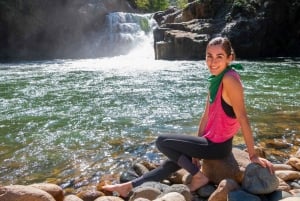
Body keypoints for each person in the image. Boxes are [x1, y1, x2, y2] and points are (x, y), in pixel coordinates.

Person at [102, 36, 274, 197]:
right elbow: (206, 116)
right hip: (210, 141)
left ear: (230, 58)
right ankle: (128, 187)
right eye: (209, 56)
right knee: (174, 162)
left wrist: (253, 155)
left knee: (162, 141)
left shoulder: (230, 79)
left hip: (218, 146)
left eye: (219, 56)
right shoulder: (215, 79)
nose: (213, 62)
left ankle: (199, 177)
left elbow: (243, 117)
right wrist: (195, 151)